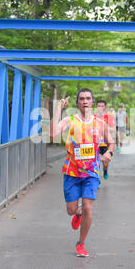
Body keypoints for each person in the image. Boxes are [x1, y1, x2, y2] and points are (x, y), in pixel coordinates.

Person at [50, 88, 115, 257]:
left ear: (92, 102)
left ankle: (81, 243)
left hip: (91, 172)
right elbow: (52, 133)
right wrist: (58, 108)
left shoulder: (101, 123)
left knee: (88, 207)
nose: (85, 101)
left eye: (88, 98)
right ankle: (76, 213)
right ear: (78, 103)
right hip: (71, 171)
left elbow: (111, 143)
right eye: (81, 99)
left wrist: (108, 153)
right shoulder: (70, 120)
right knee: (71, 210)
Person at [96, 100, 116, 180]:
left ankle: (105, 170)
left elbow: (114, 129)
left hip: (105, 143)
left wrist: (103, 128)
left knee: (105, 163)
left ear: (105, 107)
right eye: (98, 106)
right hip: (96, 143)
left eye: (102, 106)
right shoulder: (93, 117)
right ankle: (96, 179)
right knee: (95, 163)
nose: (100, 107)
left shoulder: (109, 117)